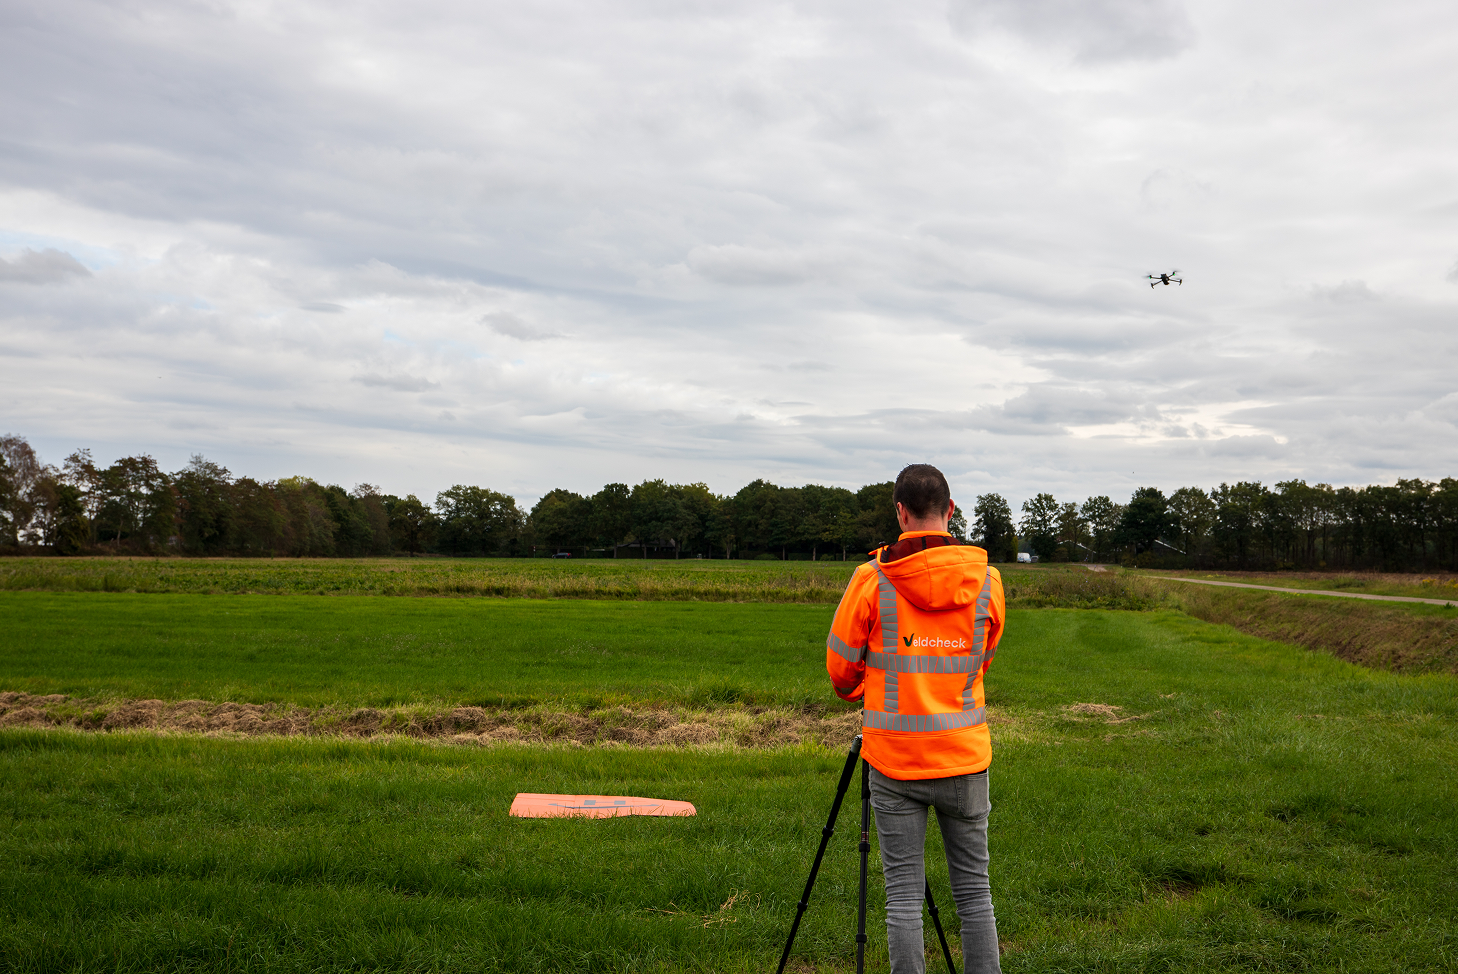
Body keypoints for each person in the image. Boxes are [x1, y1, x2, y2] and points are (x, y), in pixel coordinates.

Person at [825, 463, 1006, 974]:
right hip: (965, 761)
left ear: (900, 513)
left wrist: (878, 684)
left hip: (894, 762)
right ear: (950, 511)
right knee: (975, 894)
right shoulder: (988, 583)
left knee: (902, 896)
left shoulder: (872, 579)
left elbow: (841, 673)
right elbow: (978, 661)